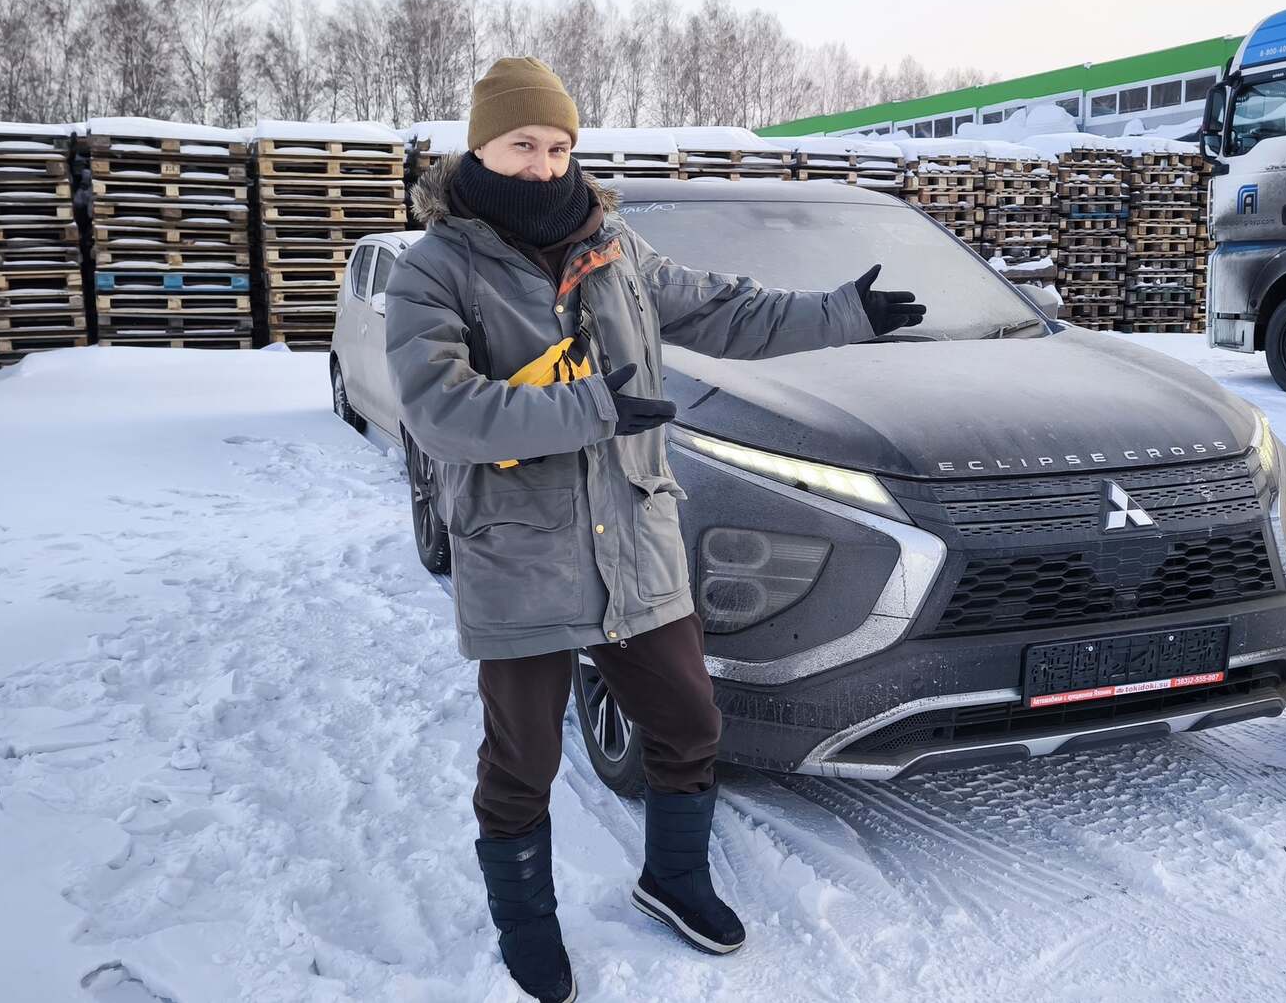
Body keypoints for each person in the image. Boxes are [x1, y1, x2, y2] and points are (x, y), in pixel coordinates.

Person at [383, 56, 926, 1003]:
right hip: (520, 551)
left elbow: (723, 309)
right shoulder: (438, 268)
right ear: (481, 148)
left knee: (688, 722)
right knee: (523, 758)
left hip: (634, 538)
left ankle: (673, 877)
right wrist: (593, 407)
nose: (544, 165)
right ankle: (526, 923)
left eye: (559, 146)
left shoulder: (613, 244)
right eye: (522, 145)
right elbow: (441, 411)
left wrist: (842, 311)